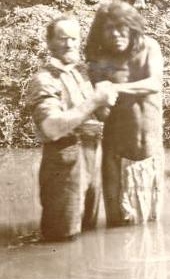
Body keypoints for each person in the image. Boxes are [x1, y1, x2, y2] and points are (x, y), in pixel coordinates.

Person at [24, 16, 117, 242]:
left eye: (74, 39)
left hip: (91, 157)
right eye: (62, 38)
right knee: (61, 238)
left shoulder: (81, 72)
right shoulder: (43, 79)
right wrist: (95, 100)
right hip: (62, 162)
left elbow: (95, 114)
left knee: (88, 235)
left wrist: (109, 103)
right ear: (49, 43)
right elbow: (51, 128)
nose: (69, 44)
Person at [85, 0, 165, 225]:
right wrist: (100, 101)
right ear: (101, 33)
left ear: (132, 27)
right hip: (117, 158)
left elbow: (154, 83)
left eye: (121, 27)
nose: (116, 34)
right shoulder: (100, 61)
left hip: (151, 153)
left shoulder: (150, 47)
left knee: (150, 224)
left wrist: (116, 88)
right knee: (118, 224)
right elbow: (102, 113)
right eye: (109, 29)